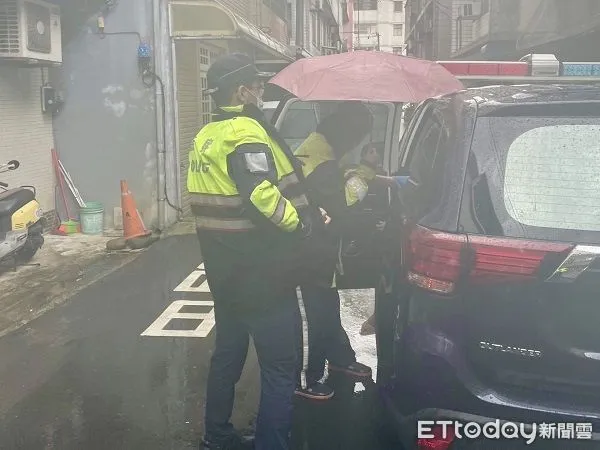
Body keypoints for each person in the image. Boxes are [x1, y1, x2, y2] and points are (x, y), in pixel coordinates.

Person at [189, 53, 326, 450]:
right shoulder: (245, 132)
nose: (261, 90)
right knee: (281, 368)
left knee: (227, 357)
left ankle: (216, 435)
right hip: (261, 276)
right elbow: (261, 196)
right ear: (240, 90)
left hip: (224, 273)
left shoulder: (205, 136)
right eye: (256, 84)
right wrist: (301, 224)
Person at [293, 103, 374, 401]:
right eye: (357, 138)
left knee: (327, 304)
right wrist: (366, 169)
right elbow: (345, 201)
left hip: (317, 246)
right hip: (309, 251)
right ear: (346, 135)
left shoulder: (318, 150)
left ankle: (339, 357)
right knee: (311, 317)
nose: (357, 144)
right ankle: (303, 378)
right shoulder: (322, 163)